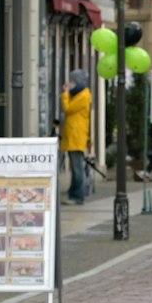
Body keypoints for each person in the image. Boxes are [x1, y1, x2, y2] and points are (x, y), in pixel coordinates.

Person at [60, 69, 93, 205]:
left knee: (77, 168)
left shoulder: (83, 96)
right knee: (76, 167)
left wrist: (65, 94)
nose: (70, 83)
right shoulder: (79, 94)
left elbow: (68, 109)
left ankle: (78, 197)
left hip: (77, 136)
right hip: (73, 135)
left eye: (72, 81)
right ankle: (73, 194)